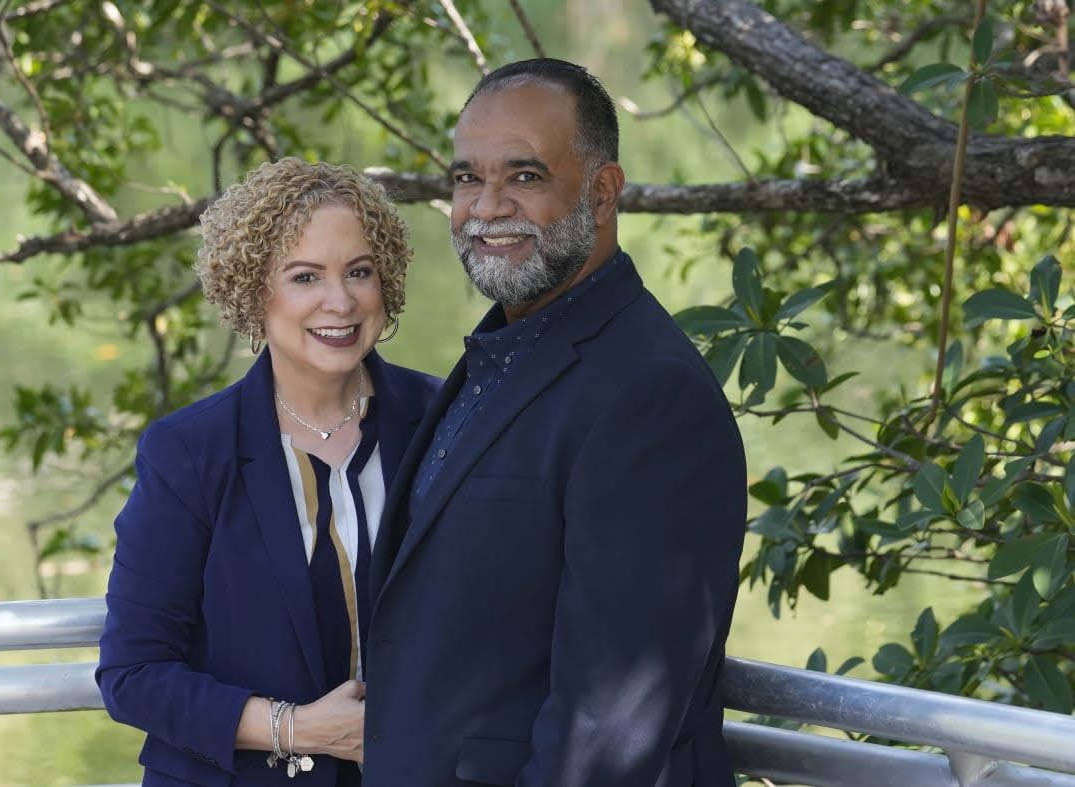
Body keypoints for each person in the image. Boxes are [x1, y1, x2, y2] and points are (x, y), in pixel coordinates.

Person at [362, 59, 748, 787]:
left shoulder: (650, 397)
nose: (486, 207)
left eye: (525, 177)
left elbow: (606, 735)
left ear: (602, 194)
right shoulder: (503, 353)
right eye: (467, 178)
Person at [96, 157, 441, 787]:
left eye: (359, 271)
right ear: (255, 290)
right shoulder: (189, 452)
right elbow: (133, 675)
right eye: (305, 276)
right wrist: (299, 729)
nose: (339, 301)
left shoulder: (447, 421)